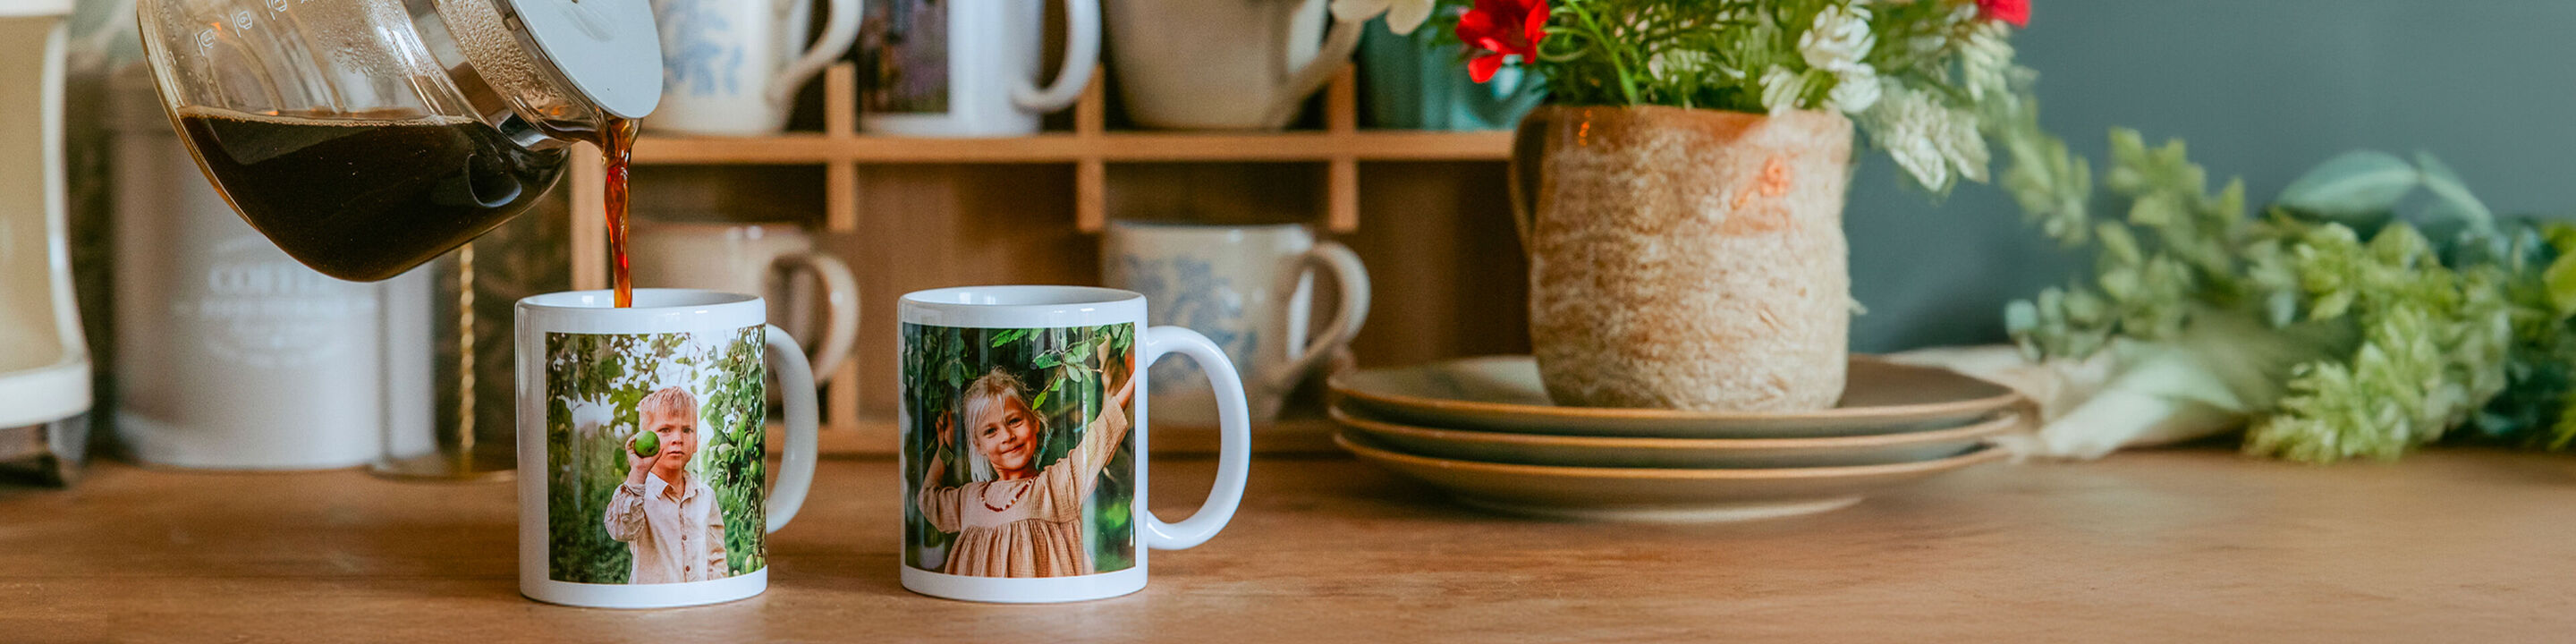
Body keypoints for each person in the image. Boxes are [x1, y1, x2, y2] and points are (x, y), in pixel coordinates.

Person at [917, 362, 1137, 578]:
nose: (1007, 436)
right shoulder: (969, 499)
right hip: (978, 612)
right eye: (991, 431)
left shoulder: (1056, 485)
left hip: (1049, 610)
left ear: (1034, 422)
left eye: (1014, 421)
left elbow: (1103, 432)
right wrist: (944, 449)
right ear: (978, 445)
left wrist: (1136, 376)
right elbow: (927, 498)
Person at [603, 386, 731, 584]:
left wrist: (717, 592)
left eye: (687, 430)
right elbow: (621, 531)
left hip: (697, 606)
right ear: (643, 439)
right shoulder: (636, 493)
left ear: (696, 442)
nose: (678, 439)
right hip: (649, 606)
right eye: (665, 430)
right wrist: (637, 472)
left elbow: (716, 556)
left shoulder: (706, 496)